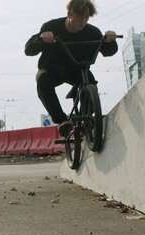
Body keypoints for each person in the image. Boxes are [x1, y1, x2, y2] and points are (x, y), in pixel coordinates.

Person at [24, 0, 118, 137]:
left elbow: (107, 51)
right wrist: (42, 39)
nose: (83, 21)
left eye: (86, 17)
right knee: (42, 79)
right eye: (80, 17)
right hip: (52, 69)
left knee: (90, 81)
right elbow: (28, 49)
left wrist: (110, 41)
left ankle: (87, 118)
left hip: (77, 70)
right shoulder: (52, 27)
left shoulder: (92, 32)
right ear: (69, 14)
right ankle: (62, 120)